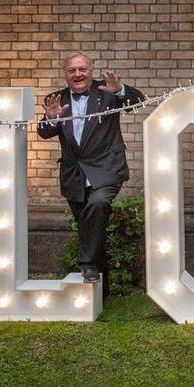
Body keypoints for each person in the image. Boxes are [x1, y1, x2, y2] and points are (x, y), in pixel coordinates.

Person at [37, 52, 146, 285]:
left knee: (98, 204)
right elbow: (44, 132)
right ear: (65, 74)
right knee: (91, 230)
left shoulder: (106, 91)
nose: (77, 74)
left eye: (82, 69)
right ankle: (99, 289)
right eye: (72, 70)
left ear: (91, 71)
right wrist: (51, 118)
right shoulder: (56, 98)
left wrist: (120, 91)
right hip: (74, 174)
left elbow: (137, 104)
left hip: (107, 168)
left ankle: (86, 265)